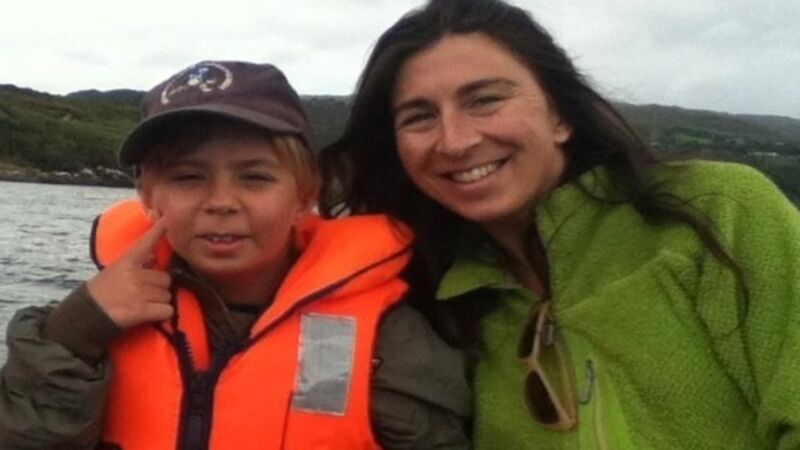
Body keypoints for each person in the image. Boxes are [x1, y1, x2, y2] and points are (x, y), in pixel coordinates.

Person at [319, 0, 800, 448]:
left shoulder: (715, 212)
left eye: (485, 100)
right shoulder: (432, 307)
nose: (455, 141)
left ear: (561, 115)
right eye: (419, 117)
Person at [0, 60, 471, 449]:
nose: (221, 201)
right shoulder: (86, 328)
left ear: (305, 195)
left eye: (255, 177)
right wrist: (73, 330)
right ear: (147, 196)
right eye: (188, 177)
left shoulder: (390, 337)